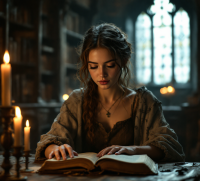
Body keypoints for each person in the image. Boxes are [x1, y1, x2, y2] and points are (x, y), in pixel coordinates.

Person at [35, 23, 185, 162]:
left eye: (110, 65)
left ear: (124, 60)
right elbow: (49, 140)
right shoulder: (77, 100)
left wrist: (133, 150)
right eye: (94, 67)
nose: (102, 74)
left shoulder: (144, 102)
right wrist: (56, 148)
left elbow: (169, 146)